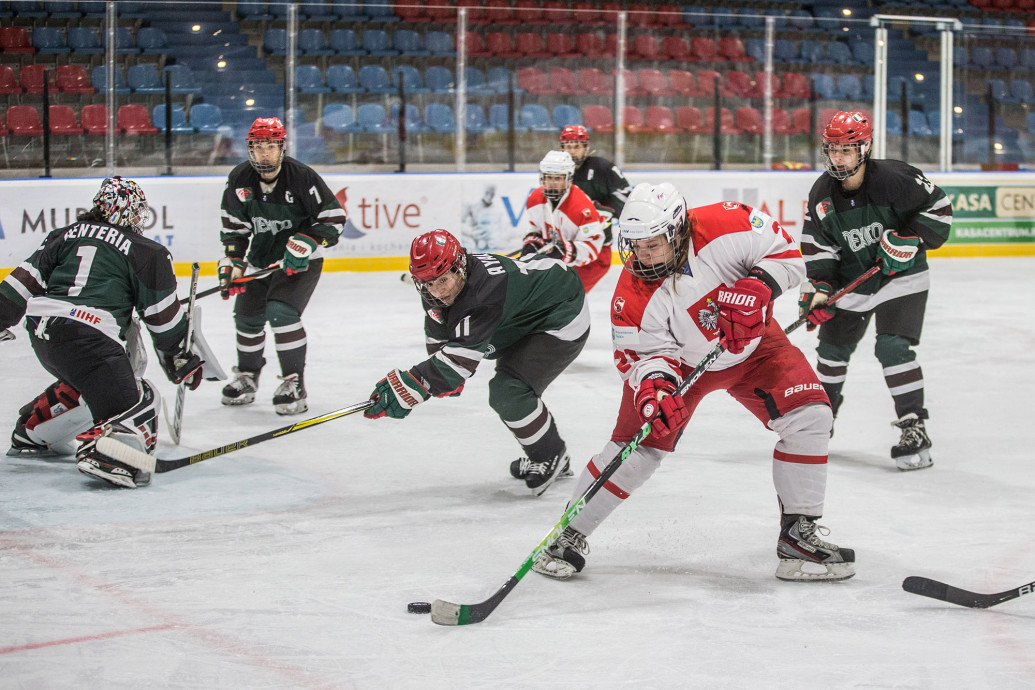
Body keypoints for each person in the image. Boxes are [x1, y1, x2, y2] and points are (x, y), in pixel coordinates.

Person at [533, 182, 855, 583]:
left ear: (677, 230)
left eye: (653, 245)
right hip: (682, 366)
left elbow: (786, 254)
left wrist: (758, 286)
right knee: (639, 448)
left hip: (756, 345)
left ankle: (797, 537)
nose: (642, 256)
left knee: (811, 417)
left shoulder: (727, 222)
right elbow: (643, 357)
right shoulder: (631, 295)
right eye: (635, 246)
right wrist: (656, 391)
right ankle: (569, 532)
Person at [0, 177, 205, 488]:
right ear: (126, 211)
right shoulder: (148, 251)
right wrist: (180, 356)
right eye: (136, 212)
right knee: (139, 395)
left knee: (91, 383)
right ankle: (113, 455)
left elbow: (21, 283)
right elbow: (162, 320)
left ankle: (34, 431)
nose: (139, 219)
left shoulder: (63, 235)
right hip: (89, 339)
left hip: (44, 336)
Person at [364, 229, 589, 496]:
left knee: (509, 392)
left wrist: (410, 386)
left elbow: (457, 364)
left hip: (560, 312)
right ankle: (546, 450)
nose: (437, 291)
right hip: (527, 310)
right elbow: (439, 326)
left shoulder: (484, 293)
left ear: (459, 266)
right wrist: (437, 372)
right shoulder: (439, 286)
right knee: (497, 377)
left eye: (442, 280)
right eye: (428, 283)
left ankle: (550, 455)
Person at [798, 111, 952, 471]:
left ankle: (914, 426)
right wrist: (821, 289)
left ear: (864, 149)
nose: (838, 158)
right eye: (832, 150)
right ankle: (821, 422)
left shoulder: (895, 179)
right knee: (831, 352)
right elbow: (819, 248)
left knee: (892, 347)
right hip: (853, 279)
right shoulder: (821, 194)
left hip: (900, 278)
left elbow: (940, 210)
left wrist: (910, 239)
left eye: (846, 150)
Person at [218, 117, 347, 416]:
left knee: (281, 313)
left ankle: (294, 383)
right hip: (260, 262)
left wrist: (309, 240)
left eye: (271, 147)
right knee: (246, 316)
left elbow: (333, 219)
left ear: (281, 148)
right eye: (258, 147)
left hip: (300, 263)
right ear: (250, 148)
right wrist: (234, 261)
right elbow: (234, 228)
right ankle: (247, 377)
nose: (265, 153)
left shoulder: (301, 177)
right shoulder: (239, 179)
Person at [522, 150, 608, 291]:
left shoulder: (581, 207)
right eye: (548, 177)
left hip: (591, 262)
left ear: (568, 179)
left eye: (558, 178)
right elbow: (534, 228)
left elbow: (592, 246)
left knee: (562, 296)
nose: (552, 183)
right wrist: (532, 243)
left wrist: (567, 251)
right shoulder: (535, 199)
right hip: (559, 260)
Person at [559, 124, 632, 246]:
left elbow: (625, 196)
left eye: (577, 147)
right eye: (568, 147)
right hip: (567, 238)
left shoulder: (603, 168)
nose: (572, 151)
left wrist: (602, 210)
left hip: (600, 237)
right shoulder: (556, 172)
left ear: (585, 147)